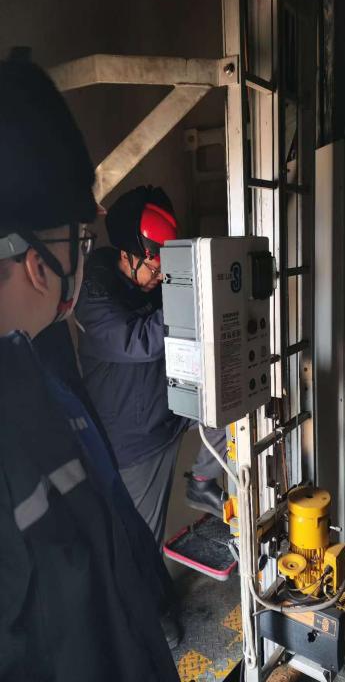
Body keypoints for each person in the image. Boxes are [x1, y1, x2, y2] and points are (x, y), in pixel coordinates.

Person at [0, 49, 179, 680]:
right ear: (37, 263)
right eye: (79, 237)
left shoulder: (34, 375)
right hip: (135, 442)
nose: (84, 252)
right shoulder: (29, 397)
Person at [75, 186, 227, 548]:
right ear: (127, 256)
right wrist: (198, 304)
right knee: (141, 547)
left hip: (171, 407)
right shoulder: (93, 295)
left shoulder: (149, 279)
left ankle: (202, 482)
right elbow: (139, 341)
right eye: (156, 269)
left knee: (233, 398)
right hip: (137, 441)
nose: (161, 276)